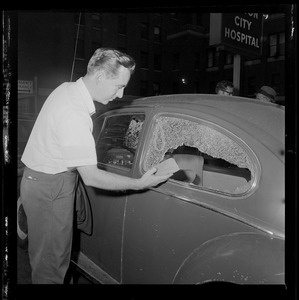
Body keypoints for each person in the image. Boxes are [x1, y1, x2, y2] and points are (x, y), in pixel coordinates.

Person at [19, 48, 173, 284]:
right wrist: (140, 183)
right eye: (118, 86)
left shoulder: (66, 89)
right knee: (51, 269)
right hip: (50, 186)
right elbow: (91, 177)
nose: (120, 95)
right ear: (100, 76)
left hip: (46, 181)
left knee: (50, 259)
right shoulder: (74, 112)